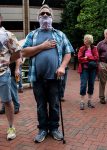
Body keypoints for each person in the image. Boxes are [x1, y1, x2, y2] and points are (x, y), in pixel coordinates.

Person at [22, 5, 73, 143]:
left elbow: (68, 52)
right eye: (42, 13)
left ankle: (54, 128)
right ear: (38, 17)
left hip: (55, 77)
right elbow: (24, 52)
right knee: (40, 105)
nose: (45, 15)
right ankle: (43, 129)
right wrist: (42, 47)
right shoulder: (32, 34)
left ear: (52, 17)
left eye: (47, 14)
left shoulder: (60, 34)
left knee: (55, 104)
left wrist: (62, 66)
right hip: (37, 78)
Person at [0, 13, 21, 140]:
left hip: (2, 73)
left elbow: (18, 52)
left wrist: (9, 61)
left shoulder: (7, 35)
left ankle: (11, 127)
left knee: (7, 101)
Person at [78, 34, 99, 110]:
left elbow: (96, 57)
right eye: (84, 39)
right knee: (83, 84)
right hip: (84, 69)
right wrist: (90, 59)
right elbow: (80, 59)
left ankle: (89, 101)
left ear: (89, 40)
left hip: (92, 69)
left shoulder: (94, 48)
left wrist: (87, 58)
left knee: (91, 84)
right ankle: (82, 102)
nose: (84, 40)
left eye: (86, 39)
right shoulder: (82, 48)